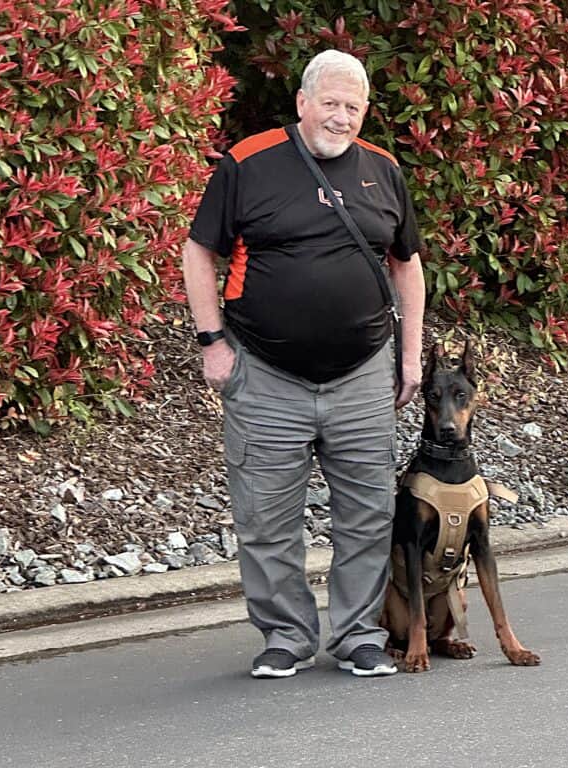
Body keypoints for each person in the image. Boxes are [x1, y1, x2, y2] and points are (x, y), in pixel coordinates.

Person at [182, 49, 425, 678]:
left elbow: (407, 263)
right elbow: (199, 253)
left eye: (353, 107)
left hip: (364, 371)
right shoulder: (248, 162)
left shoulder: (384, 170)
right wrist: (213, 342)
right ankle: (285, 635)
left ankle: (357, 635)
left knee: (368, 513)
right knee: (265, 515)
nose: (341, 118)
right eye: (331, 103)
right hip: (264, 371)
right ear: (302, 102)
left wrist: (410, 355)